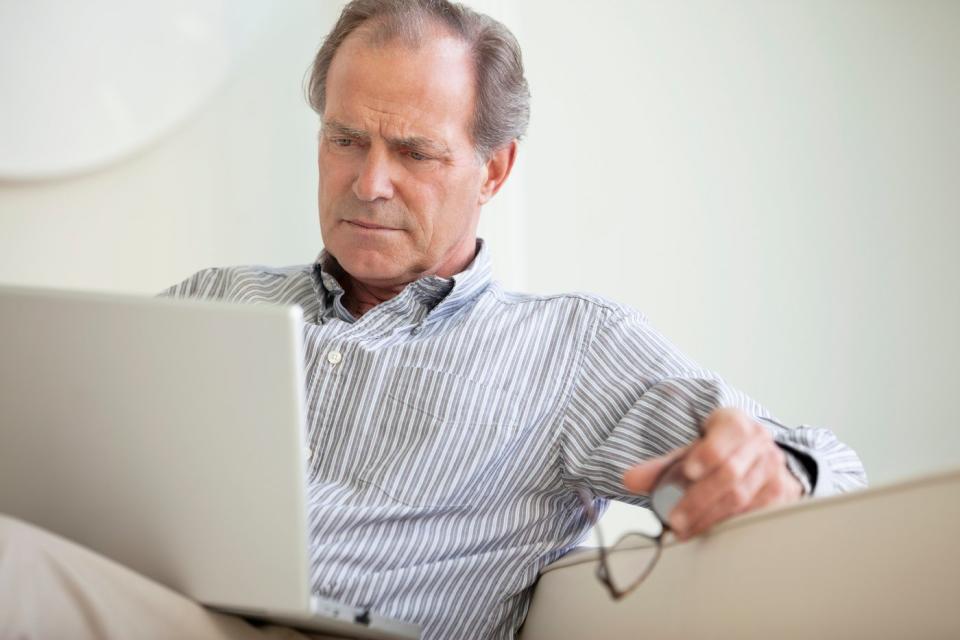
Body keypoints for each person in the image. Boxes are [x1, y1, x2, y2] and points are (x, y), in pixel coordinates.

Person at [0, 1, 866, 639]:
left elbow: (829, 465)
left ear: (493, 172)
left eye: (415, 152)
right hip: (144, 606)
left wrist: (772, 470)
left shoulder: (567, 350)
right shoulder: (218, 301)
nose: (369, 183)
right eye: (345, 140)